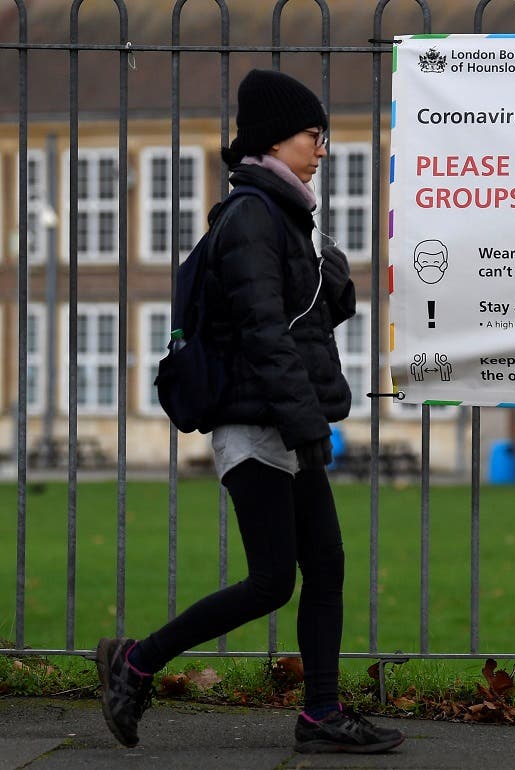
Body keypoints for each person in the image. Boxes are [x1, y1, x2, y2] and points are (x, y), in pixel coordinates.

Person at [95, 69, 405, 755]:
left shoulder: (286, 215)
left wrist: (336, 276)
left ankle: (320, 715)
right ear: (275, 137)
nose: (322, 148)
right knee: (272, 580)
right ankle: (136, 662)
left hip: (283, 420)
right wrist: (307, 425)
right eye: (312, 134)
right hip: (255, 424)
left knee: (324, 566)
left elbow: (303, 318)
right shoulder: (251, 218)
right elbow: (265, 333)